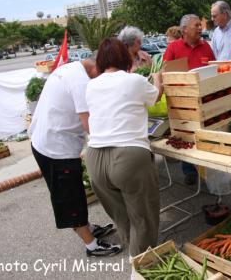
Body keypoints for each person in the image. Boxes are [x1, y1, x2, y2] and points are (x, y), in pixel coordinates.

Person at [30, 59, 121, 258]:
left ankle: (87, 226)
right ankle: (91, 245)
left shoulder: (71, 69)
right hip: (55, 148)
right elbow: (89, 125)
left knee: (75, 191)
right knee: (70, 197)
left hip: (47, 140)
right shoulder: (81, 82)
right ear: (97, 69)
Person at [85, 38, 163, 259]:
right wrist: (158, 80)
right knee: (143, 216)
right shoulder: (134, 81)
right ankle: (140, 264)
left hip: (95, 158)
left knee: (122, 215)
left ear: (100, 60)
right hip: (128, 156)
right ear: (124, 57)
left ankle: (132, 250)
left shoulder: (91, 85)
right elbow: (156, 97)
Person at [163, 14, 215, 185]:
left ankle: (207, 167)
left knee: (204, 133)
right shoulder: (173, 48)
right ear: (184, 29)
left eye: (200, 25)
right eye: (197, 25)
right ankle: (189, 170)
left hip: (205, 98)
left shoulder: (206, 46)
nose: (200, 28)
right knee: (185, 134)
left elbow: (214, 69)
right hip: (183, 101)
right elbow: (166, 74)